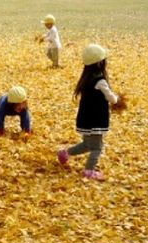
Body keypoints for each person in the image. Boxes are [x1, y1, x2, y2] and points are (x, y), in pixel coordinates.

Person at [57, 44, 118, 180]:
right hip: (95, 119)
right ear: (100, 62)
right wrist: (118, 99)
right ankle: (88, 171)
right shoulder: (100, 81)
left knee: (86, 144)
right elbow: (111, 98)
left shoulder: (86, 78)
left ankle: (65, 153)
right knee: (97, 148)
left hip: (85, 118)